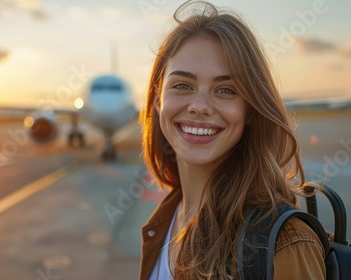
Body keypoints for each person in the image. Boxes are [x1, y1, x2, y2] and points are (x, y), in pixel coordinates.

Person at [139, 1, 325, 279]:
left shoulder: (283, 243)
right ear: (157, 99)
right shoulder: (167, 217)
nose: (199, 106)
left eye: (225, 89)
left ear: (250, 108)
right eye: (181, 85)